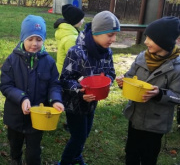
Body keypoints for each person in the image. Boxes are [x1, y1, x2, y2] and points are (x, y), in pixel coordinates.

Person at [0, 15, 65, 165]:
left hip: (37, 119)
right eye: (30, 39)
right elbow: (5, 85)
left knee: (33, 153)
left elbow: (54, 84)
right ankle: (15, 159)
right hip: (15, 116)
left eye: (39, 39)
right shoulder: (12, 60)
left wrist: (55, 100)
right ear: (23, 38)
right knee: (15, 145)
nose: (34, 44)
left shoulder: (48, 62)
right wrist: (22, 98)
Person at [116, 16, 180, 165]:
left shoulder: (176, 68)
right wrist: (123, 81)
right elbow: (130, 77)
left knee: (148, 157)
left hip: (156, 123)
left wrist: (160, 94)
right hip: (135, 117)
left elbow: (178, 97)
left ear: (163, 41)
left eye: (150, 38)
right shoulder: (141, 57)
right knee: (131, 152)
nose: (145, 42)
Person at [58, 11, 120, 165]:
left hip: (92, 103)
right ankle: (65, 162)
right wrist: (80, 91)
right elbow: (65, 79)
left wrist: (107, 81)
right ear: (97, 32)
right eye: (110, 35)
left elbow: (111, 72)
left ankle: (77, 156)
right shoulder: (76, 52)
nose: (113, 39)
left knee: (84, 135)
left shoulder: (107, 53)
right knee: (78, 137)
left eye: (115, 35)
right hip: (75, 104)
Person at [54, 4, 85, 74]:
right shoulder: (71, 39)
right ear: (74, 20)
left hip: (62, 69)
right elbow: (74, 59)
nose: (84, 20)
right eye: (81, 19)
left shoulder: (66, 32)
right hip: (68, 73)